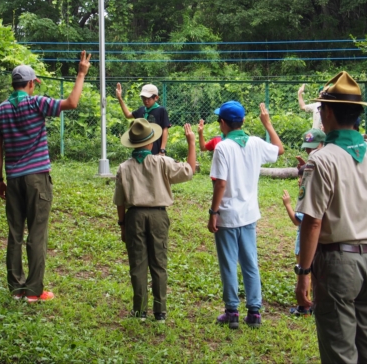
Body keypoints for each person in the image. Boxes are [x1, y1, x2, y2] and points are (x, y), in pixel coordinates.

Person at [294, 62, 367, 363]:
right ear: (358, 114)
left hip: (336, 264)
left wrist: (304, 273)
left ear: (328, 113)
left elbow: (313, 221)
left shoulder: (320, 161)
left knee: (340, 353)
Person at [0, 51, 91, 303]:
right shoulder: (36, 103)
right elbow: (71, 103)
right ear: (29, 84)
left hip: (13, 179)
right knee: (37, 232)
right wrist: (80, 74)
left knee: (15, 233)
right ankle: (34, 290)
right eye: (33, 84)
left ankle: (16, 288)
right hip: (37, 178)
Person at [209, 101, 284, 329]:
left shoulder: (222, 147)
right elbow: (279, 150)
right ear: (242, 122)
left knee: (228, 264)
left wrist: (213, 211)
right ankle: (254, 312)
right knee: (250, 263)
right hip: (249, 214)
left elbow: (220, 183)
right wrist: (268, 124)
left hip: (228, 215)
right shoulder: (255, 143)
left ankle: (232, 311)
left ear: (223, 123)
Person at [114, 119, 195, 322]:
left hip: (134, 217)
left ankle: (139, 310)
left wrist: (122, 225)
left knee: (138, 264)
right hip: (158, 216)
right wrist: (191, 143)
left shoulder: (124, 168)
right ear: (151, 143)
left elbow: (120, 201)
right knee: (159, 263)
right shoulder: (162, 162)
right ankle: (160, 312)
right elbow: (189, 171)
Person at [282, 165, 311, 316]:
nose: (300, 180)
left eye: (303, 177)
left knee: (303, 272)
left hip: (304, 241)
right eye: (299, 177)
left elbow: (296, 220)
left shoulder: (306, 196)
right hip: (306, 240)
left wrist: (287, 204)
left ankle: (304, 306)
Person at [115, 82, 170, 155]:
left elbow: (165, 129)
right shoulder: (141, 110)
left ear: (156, 98)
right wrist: (120, 98)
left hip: (155, 151)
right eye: (143, 98)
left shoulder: (161, 110)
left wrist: (162, 149)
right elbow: (128, 115)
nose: (146, 101)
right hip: (140, 151)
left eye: (148, 98)